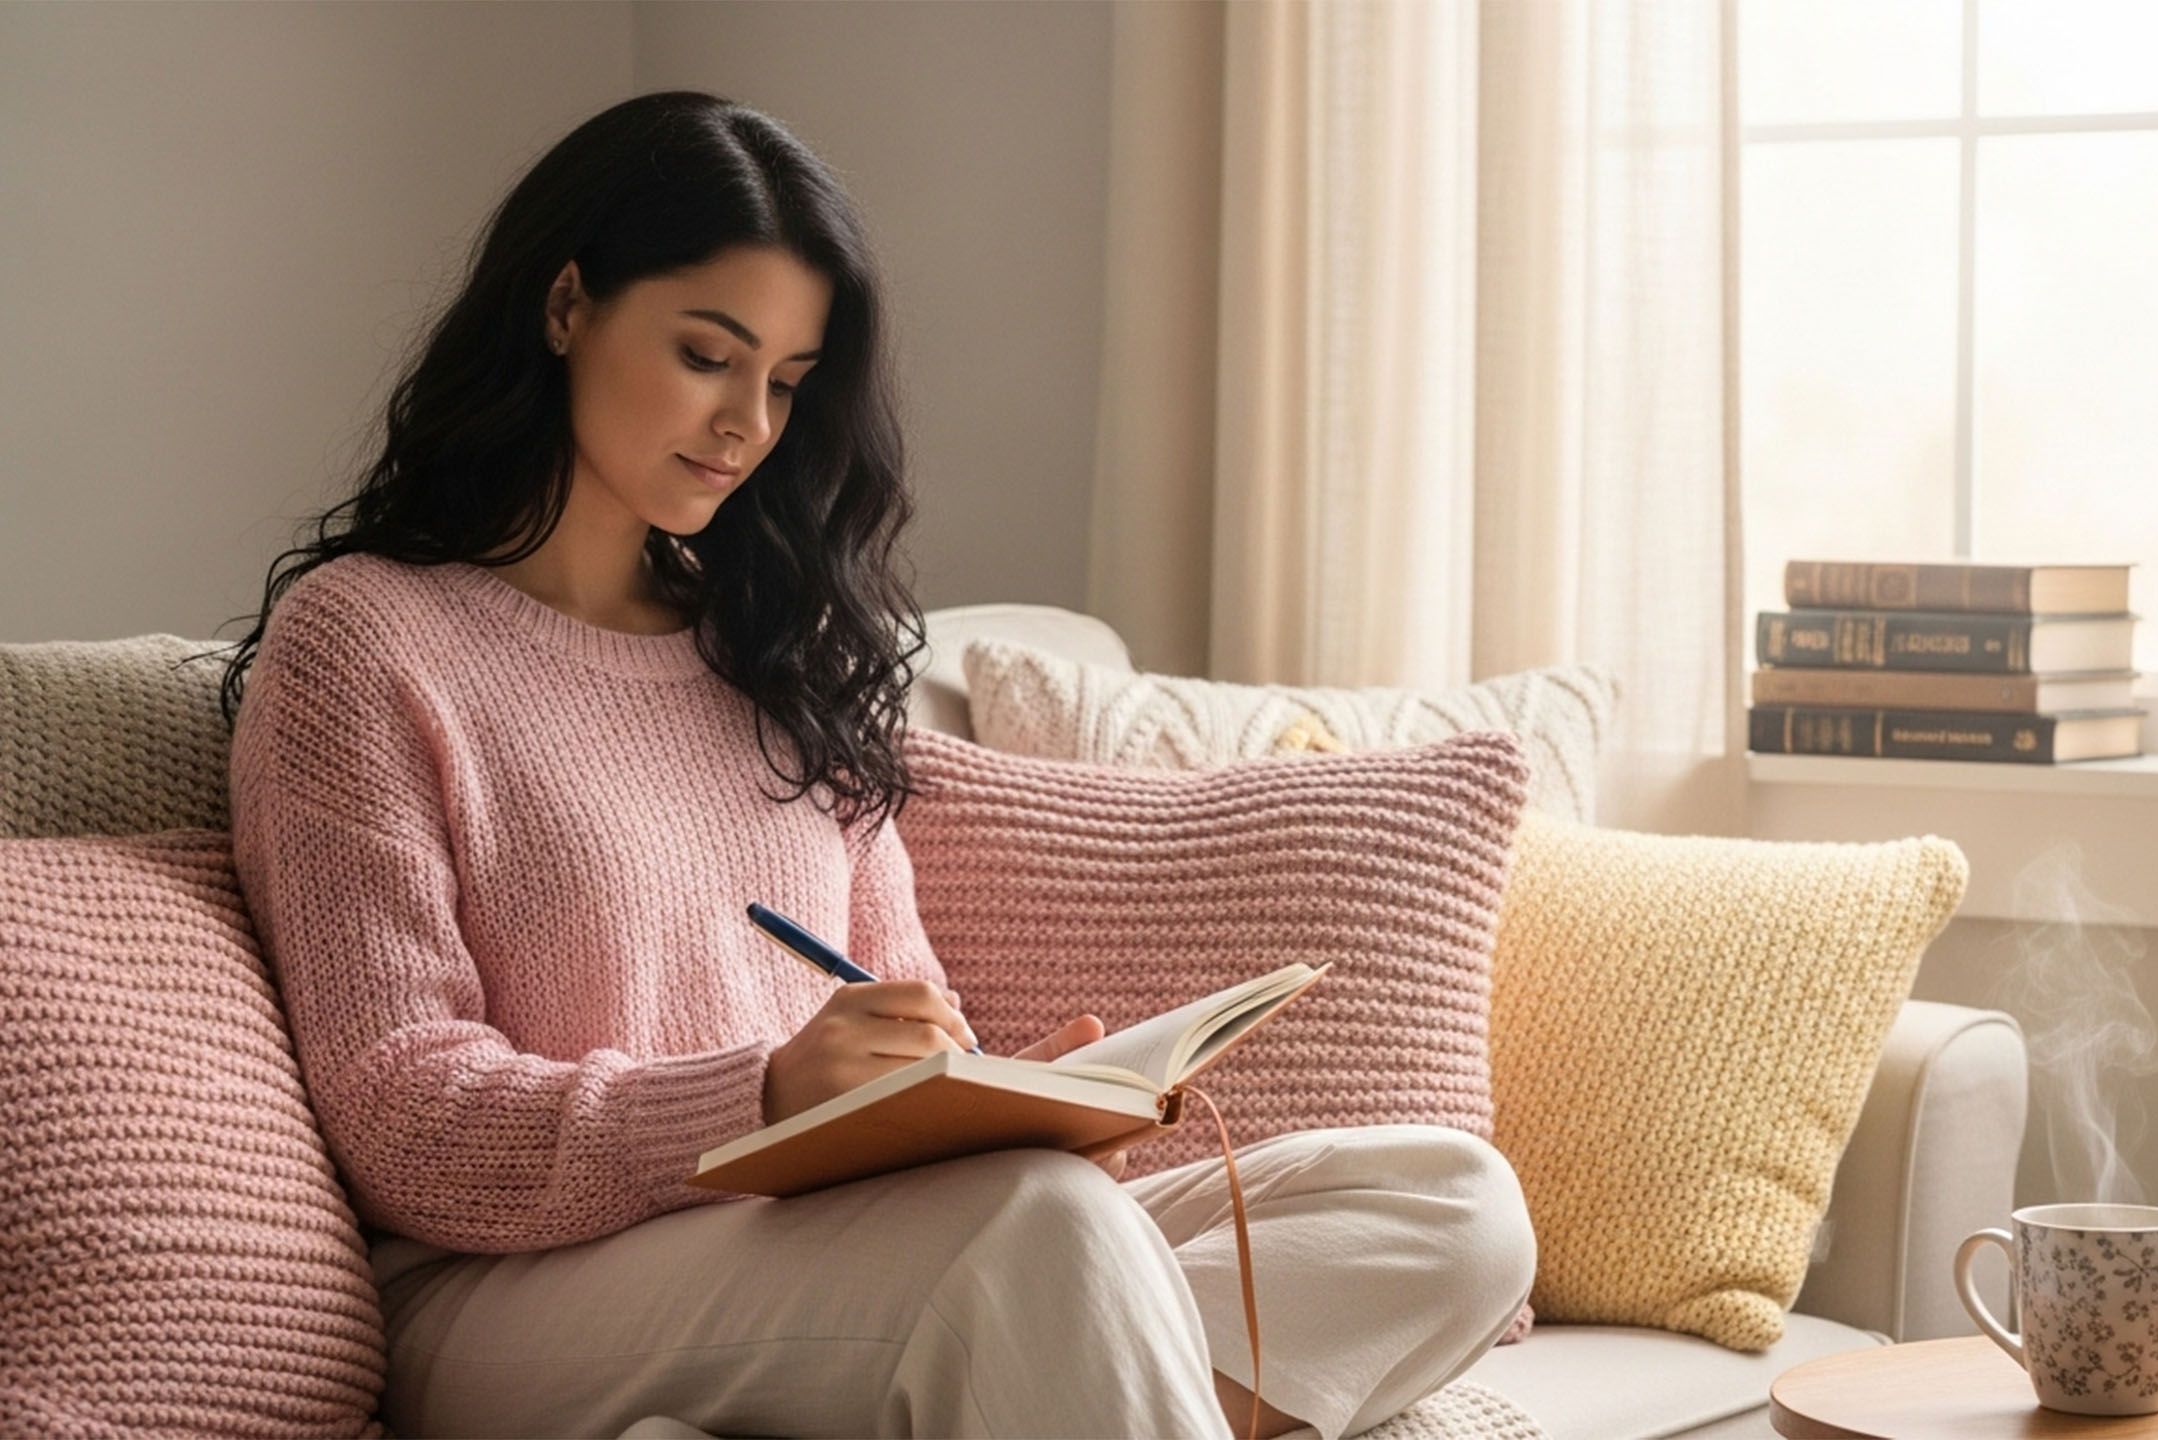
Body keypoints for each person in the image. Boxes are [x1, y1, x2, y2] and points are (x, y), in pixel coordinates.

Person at [207, 90, 1534, 1440]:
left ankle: (1014, 1372)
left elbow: (903, 997)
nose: (747, 426)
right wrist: (763, 1093)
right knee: (1038, 1240)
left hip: (837, 1240)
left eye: (785, 382)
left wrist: (1004, 1101)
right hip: (515, 1293)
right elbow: (402, 1114)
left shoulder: (771, 647)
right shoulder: (368, 643)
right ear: (565, 306)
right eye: (708, 355)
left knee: (1449, 1203)